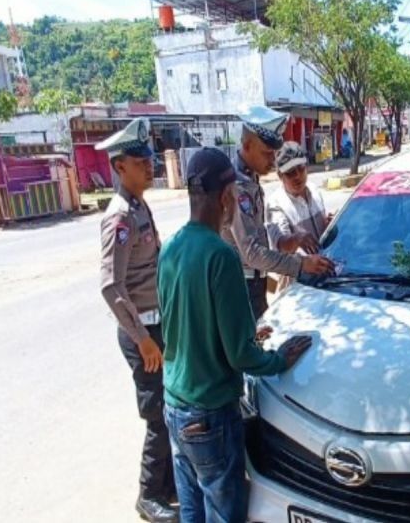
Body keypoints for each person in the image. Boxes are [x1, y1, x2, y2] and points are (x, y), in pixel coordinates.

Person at [158, 147, 312, 523]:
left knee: (192, 509)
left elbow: (180, 325)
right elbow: (242, 358)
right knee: (224, 512)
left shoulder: (172, 248)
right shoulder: (222, 256)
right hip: (209, 413)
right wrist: (279, 358)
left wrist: (245, 332)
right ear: (227, 196)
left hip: (175, 406)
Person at [97, 118, 177, 523]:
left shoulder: (138, 204)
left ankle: (165, 484)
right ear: (119, 167)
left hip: (155, 324)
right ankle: (148, 494)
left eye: (149, 159)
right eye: (139, 160)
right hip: (141, 332)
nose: (149, 166)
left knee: (168, 408)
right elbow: (111, 288)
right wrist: (144, 340)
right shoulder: (120, 217)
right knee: (157, 413)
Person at [222, 105, 334, 319]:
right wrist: (301, 264)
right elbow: (253, 253)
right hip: (239, 287)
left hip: (256, 283)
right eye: (267, 153)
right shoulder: (237, 188)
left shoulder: (251, 181)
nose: (273, 161)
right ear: (247, 146)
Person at [266, 141, 333, 292]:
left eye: (300, 169)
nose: (297, 176)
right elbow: (280, 245)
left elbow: (322, 232)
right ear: (280, 175)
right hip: (297, 285)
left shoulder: (315, 191)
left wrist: (330, 224)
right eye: (290, 173)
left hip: (325, 276)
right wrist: (296, 239)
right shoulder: (275, 204)